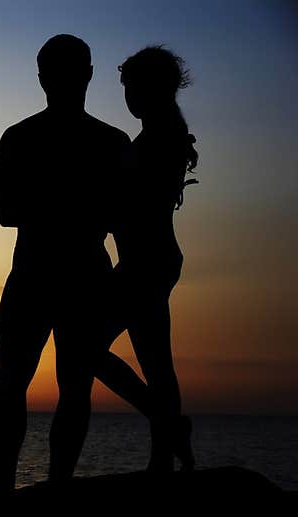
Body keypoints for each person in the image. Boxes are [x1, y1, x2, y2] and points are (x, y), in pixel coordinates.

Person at [0, 34, 131, 493]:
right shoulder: (108, 142)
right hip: (56, 273)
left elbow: (11, 212)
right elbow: (7, 213)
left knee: (55, 385)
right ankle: (23, 492)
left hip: (54, 273)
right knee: (29, 383)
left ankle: (32, 492)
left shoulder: (24, 138)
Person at [93, 46, 198, 472]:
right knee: (156, 362)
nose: (127, 96)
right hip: (148, 260)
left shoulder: (160, 137)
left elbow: (136, 204)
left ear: (151, 87)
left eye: (131, 87)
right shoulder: (161, 131)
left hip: (146, 263)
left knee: (86, 346)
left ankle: (166, 424)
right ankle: (165, 454)